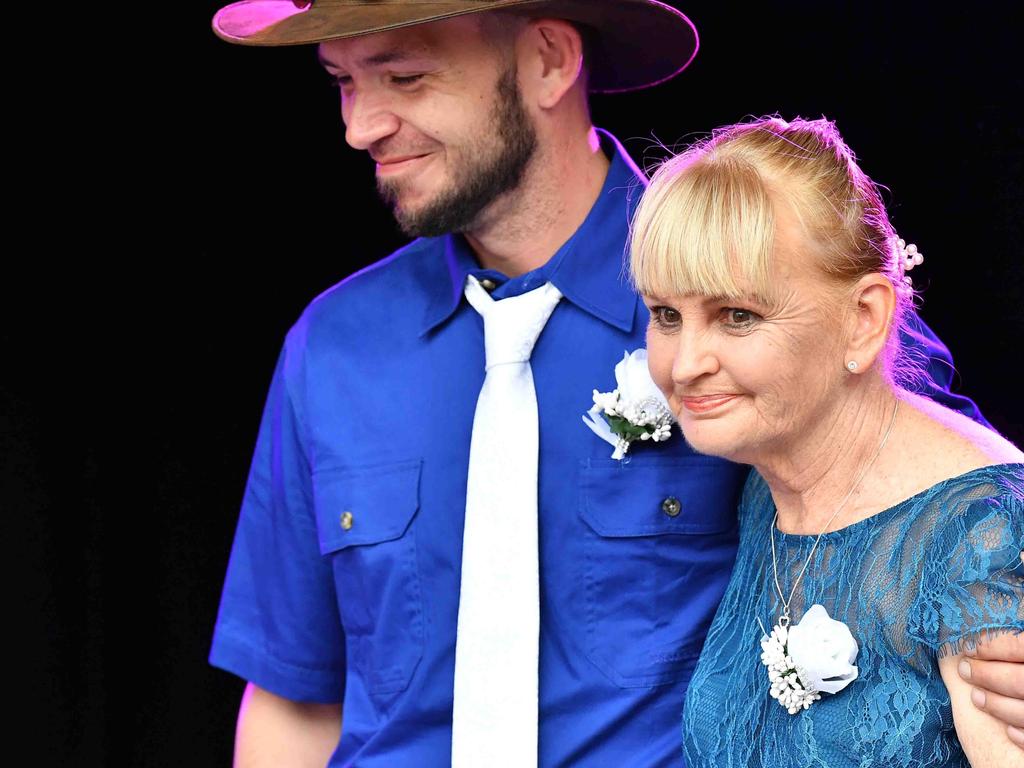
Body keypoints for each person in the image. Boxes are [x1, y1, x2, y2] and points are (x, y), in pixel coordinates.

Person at [206, 2, 1021, 765]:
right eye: (345, 81)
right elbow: (295, 698)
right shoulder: (333, 345)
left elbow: (953, 516)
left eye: (405, 76)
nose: (361, 126)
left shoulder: (756, 272)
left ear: (549, 60)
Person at [631, 115, 1024, 766]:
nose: (684, 363)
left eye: (737, 316)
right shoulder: (764, 480)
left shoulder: (983, 532)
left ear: (864, 320)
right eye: (667, 315)